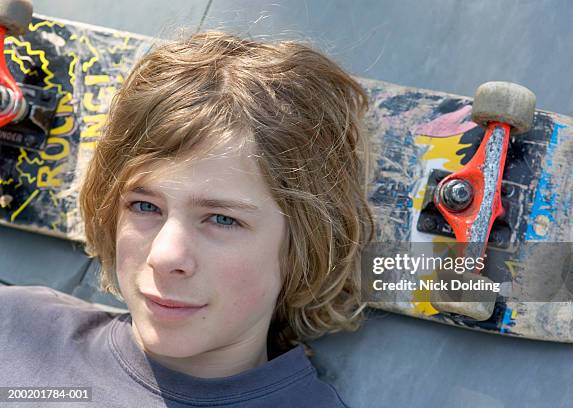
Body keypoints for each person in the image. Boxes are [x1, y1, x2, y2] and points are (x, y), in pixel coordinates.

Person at [0, 30, 374, 407]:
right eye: (145, 207)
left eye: (221, 219)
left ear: (304, 245)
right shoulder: (13, 331)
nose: (164, 257)